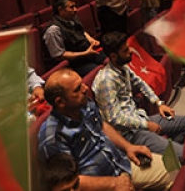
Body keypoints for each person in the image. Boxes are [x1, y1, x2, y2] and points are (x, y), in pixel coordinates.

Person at [38, 68, 171, 191]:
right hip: (100, 185)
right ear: (60, 102)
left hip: (120, 162)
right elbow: (67, 182)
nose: (85, 89)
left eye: (82, 84)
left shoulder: (84, 104)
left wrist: (128, 147)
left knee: (173, 170)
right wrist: (113, 183)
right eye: (77, 89)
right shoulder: (52, 137)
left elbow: (102, 126)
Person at [93, 31, 185, 160]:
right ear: (113, 56)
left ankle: (168, 154)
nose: (131, 52)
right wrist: (146, 125)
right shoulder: (106, 81)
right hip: (129, 134)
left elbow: (141, 83)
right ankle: (171, 155)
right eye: (125, 50)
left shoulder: (123, 67)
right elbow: (115, 119)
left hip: (140, 118)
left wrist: (159, 103)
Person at [42, 0, 106, 76]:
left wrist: (91, 40)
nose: (75, 10)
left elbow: (81, 31)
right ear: (60, 9)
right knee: (99, 73)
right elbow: (59, 56)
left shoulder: (72, 18)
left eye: (75, 6)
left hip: (87, 53)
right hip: (75, 63)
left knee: (111, 57)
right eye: (71, 7)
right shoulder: (53, 30)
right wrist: (85, 53)